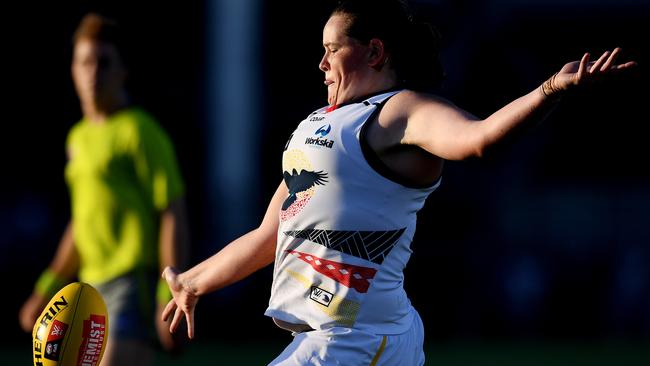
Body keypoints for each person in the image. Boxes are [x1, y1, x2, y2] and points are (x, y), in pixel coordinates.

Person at [161, 0, 636, 364]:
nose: (321, 64)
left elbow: (478, 139)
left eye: (332, 50)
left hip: (355, 338)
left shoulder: (398, 112)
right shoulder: (315, 125)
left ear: (374, 51)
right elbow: (270, 235)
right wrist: (193, 282)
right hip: (352, 335)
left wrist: (550, 89)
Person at [18, 13, 189, 366]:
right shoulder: (77, 138)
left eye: (103, 62)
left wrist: (167, 292)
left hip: (131, 286)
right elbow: (82, 221)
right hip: (85, 291)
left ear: (122, 70)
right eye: (84, 62)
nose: (92, 72)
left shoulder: (140, 131)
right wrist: (46, 287)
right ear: (72, 70)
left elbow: (173, 211)